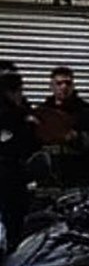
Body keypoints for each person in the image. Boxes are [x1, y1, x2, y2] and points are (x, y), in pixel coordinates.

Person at [34, 66, 89, 189]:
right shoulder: (42, 113)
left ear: (73, 86)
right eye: (59, 83)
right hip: (50, 177)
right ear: (51, 86)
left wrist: (79, 138)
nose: (63, 87)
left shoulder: (88, 112)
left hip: (81, 175)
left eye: (68, 83)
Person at [0, 71, 36, 249]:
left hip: (12, 181)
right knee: (13, 229)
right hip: (11, 183)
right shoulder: (16, 117)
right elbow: (27, 146)